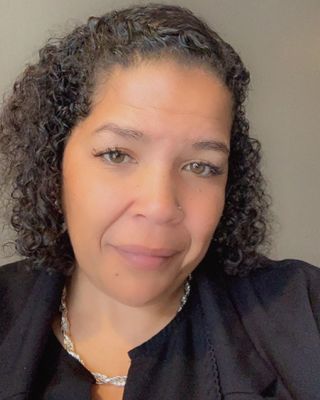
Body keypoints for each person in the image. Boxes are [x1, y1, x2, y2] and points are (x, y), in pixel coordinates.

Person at [0, 3, 319, 400]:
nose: (160, 206)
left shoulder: (304, 313)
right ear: (54, 164)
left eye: (201, 166)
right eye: (117, 154)